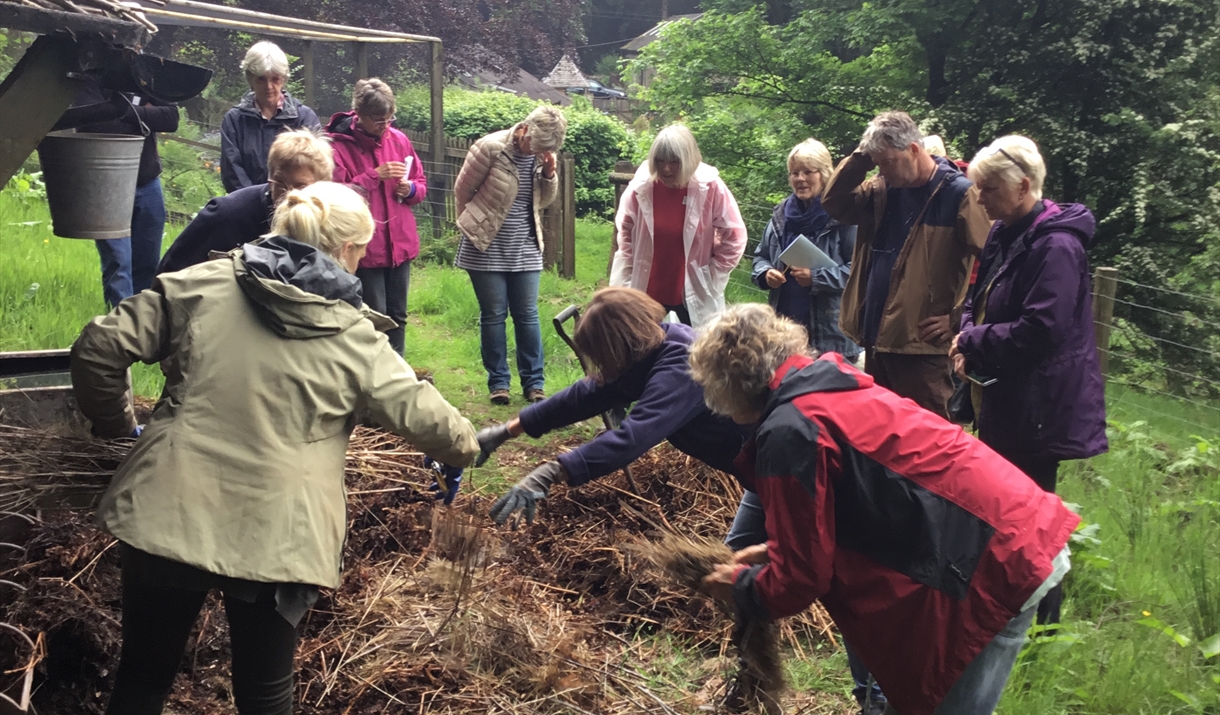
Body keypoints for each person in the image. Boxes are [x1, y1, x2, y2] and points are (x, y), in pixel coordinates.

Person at [70, 181, 480, 715]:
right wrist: (466, 447)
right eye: (362, 251)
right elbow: (443, 430)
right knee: (265, 696)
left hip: (166, 506)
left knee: (144, 675)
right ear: (347, 251)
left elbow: (99, 348)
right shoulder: (356, 339)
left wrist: (118, 426)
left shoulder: (200, 285)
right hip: (280, 534)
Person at [690, 304, 1078, 715]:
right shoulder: (830, 388)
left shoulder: (791, 431)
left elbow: (801, 581)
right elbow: (870, 500)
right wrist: (776, 551)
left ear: (729, 384)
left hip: (996, 562)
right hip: (1006, 531)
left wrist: (744, 590)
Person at [950, 135, 1108, 625]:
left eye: (989, 189)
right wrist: (966, 334)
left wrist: (975, 343)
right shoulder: (1006, 230)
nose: (979, 198)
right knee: (1002, 509)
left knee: (1034, 518)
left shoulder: (1057, 245)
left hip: (1040, 407)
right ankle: (1003, 609)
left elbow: (1042, 331)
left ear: (1023, 186)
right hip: (1006, 397)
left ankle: (1044, 624)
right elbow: (978, 294)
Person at [823, 111, 990, 420]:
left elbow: (996, 263)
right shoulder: (881, 189)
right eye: (878, 163)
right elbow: (835, 202)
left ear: (914, 150)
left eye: (888, 161)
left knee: (925, 440)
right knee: (880, 433)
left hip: (920, 348)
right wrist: (862, 158)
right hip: (875, 339)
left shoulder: (958, 194)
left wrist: (958, 319)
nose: (882, 170)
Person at [454, 105, 568, 405]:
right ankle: (499, 384)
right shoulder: (490, 148)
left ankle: (534, 384)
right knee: (493, 315)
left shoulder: (541, 155)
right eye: (538, 146)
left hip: (526, 245)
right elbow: (462, 191)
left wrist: (549, 172)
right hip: (486, 245)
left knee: (527, 314)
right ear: (525, 130)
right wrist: (473, 227)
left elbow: (542, 201)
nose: (539, 152)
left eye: (547, 149)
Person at [54, 82, 179, 308]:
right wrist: (144, 113)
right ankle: (120, 330)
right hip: (106, 186)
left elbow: (171, 118)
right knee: (119, 264)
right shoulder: (92, 79)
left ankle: (143, 324)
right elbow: (94, 122)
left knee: (149, 263)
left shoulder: (144, 78)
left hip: (147, 182)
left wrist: (123, 112)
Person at [326, 78, 427, 356]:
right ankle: (373, 374)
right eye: (378, 120)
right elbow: (335, 196)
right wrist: (373, 176)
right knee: (374, 315)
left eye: (389, 119)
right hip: (365, 247)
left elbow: (421, 183)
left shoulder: (400, 140)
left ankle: (399, 375)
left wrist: (411, 189)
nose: (385, 126)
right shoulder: (337, 146)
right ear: (358, 114)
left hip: (400, 242)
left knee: (398, 314)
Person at [610, 124, 747, 327]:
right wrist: (629, 270)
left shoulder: (710, 186)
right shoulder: (642, 185)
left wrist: (712, 274)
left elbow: (734, 235)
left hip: (693, 291)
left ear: (688, 160)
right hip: (647, 289)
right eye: (660, 161)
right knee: (646, 348)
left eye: (674, 162)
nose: (666, 168)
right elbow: (626, 229)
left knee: (696, 351)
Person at [157, 129, 333, 274]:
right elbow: (169, 273)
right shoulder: (226, 214)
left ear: (323, 186)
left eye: (301, 187)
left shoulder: (329, 223)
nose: (289, 195)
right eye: (280, 183)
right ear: (269, 176)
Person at [752, 139, 861, 362]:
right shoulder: (780, 216)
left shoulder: (844, 216)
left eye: (808, 172)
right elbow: (761, 256)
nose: (800, 179)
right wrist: (765, 274)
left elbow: (859, 270)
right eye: (794, 173)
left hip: (830, 334)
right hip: (785, 331)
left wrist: (816, 278)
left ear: (824, 174)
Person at [220, 41, 321, 193]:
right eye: (261, 79)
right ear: (250, 79)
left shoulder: (304, 118)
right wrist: (255, 201)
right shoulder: (234, 120)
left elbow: (316, 168)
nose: (269, 86)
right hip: (248, 207)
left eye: (275, 79)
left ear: (283, 80)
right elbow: (232, 171)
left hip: (295, 206)